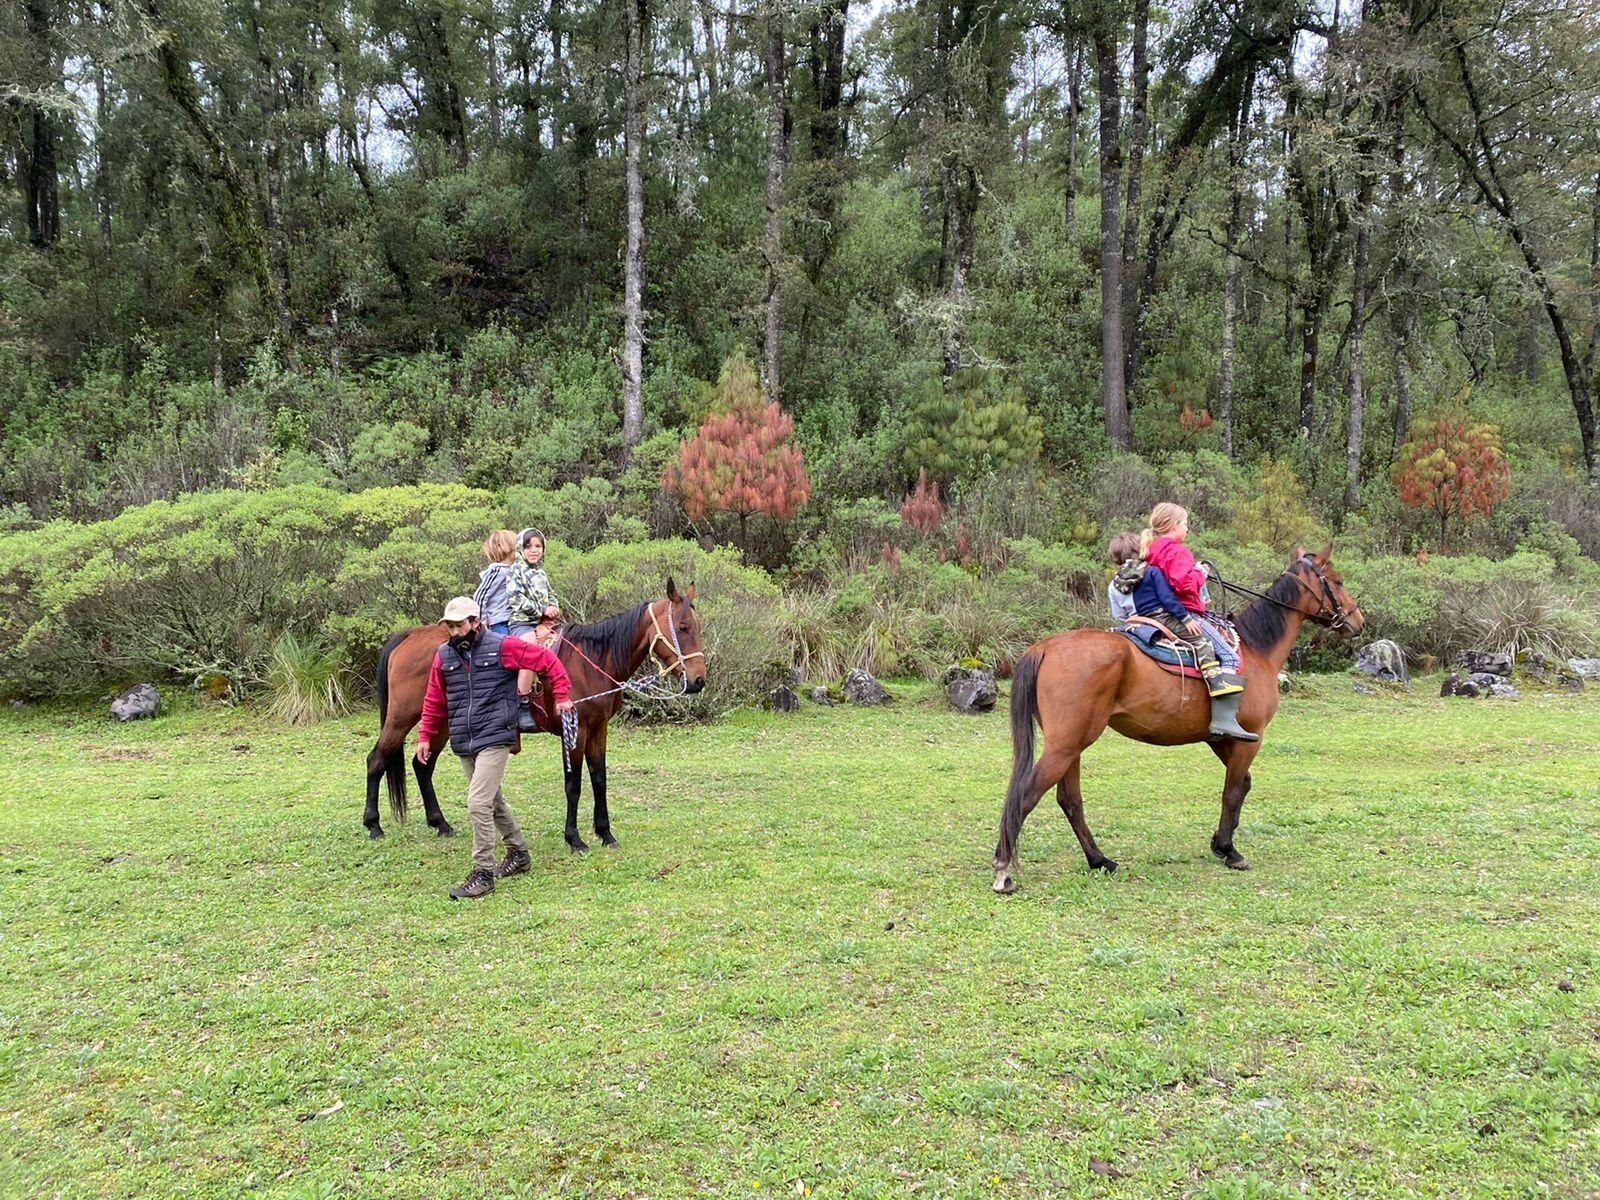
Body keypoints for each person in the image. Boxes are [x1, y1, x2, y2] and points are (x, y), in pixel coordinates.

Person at [417, 596, 575, 900]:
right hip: (464, 738)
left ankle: (483, 873)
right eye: (449, 626)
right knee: (493, 800)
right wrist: (425, 735)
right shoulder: (443, 656)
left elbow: (547, 660)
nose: (455, 632)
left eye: (459, 625)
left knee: (478, 802)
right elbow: (434, 699)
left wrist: (563, 695)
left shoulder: (503, 646)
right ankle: (519, 853)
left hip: (495, 735)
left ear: (476, 622)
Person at [1138, 503, 1257, 742]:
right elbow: (1182, 584)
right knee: (1231, 656)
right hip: (1185, 613)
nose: (1187, 529)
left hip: (1157, 612)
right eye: (1184, 524)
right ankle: (1223, 721)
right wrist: (1199, 574)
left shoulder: (1152, 549)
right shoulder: (1178, 551)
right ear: (1173, 526)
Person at [508, 528, 562, 732]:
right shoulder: (516, 570)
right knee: (530, 648)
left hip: (544, 622)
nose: (534, 550)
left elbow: (551, 594)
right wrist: (541, 609)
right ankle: (522, 703)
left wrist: (554, 606)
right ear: (521, 548)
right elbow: (516, 600)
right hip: (522, 623)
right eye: (528, 546)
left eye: (538, 546)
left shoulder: (541, 573)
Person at [472, 529, 517, 635]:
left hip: (511, 619)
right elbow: (480, 596)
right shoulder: (498, 571)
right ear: (505, 547)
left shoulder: (513, 570)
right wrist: (482, 620)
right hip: (499, 621)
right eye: (517, 546)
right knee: (506, 646)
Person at [1106, 531, 1141, 624]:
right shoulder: (1150, 572)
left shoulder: (1113, 586)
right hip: (1158, 620)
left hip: (1133, 626)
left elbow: (1119, 616)